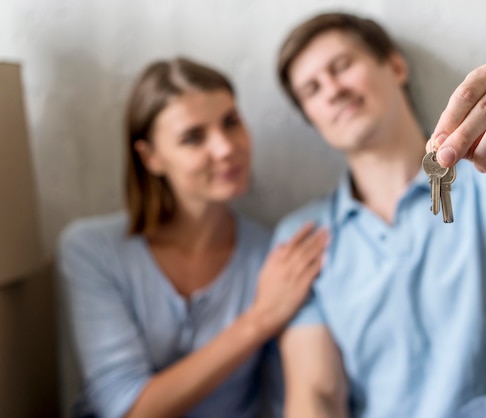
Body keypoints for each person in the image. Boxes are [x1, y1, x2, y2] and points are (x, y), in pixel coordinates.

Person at [272, 12, 486, 418]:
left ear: (395, 65)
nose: (332, 90)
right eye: (312, 89)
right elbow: (316, 394)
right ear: (310, 117)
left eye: (342, 66)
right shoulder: (304, 235)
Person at [58, 57, 328, 418]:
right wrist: (260, 320)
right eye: (193, 137)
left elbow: (292, 397)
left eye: (231, 123)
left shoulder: (275, 257)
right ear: (151, 157)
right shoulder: (92, 248)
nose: (226, 147)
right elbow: (125, 409)